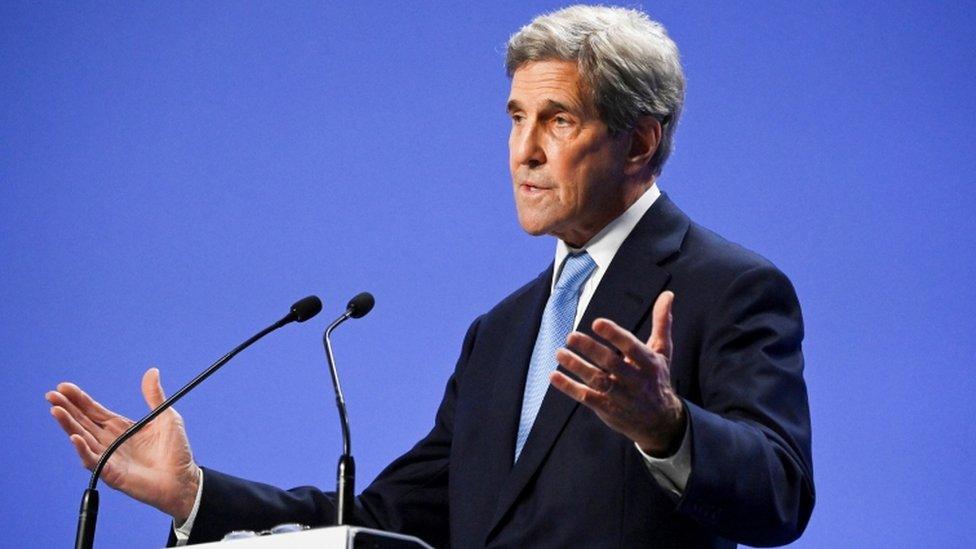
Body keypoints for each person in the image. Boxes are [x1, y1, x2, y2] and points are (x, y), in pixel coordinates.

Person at [47, 5, 814, 547]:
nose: (524, 151)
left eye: (559, 120)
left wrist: (666, 426)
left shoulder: (730, 287)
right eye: (516, 117)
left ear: (640, 143)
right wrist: (195, 493)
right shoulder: (504, 330)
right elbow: (393, 514)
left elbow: (781, 495)